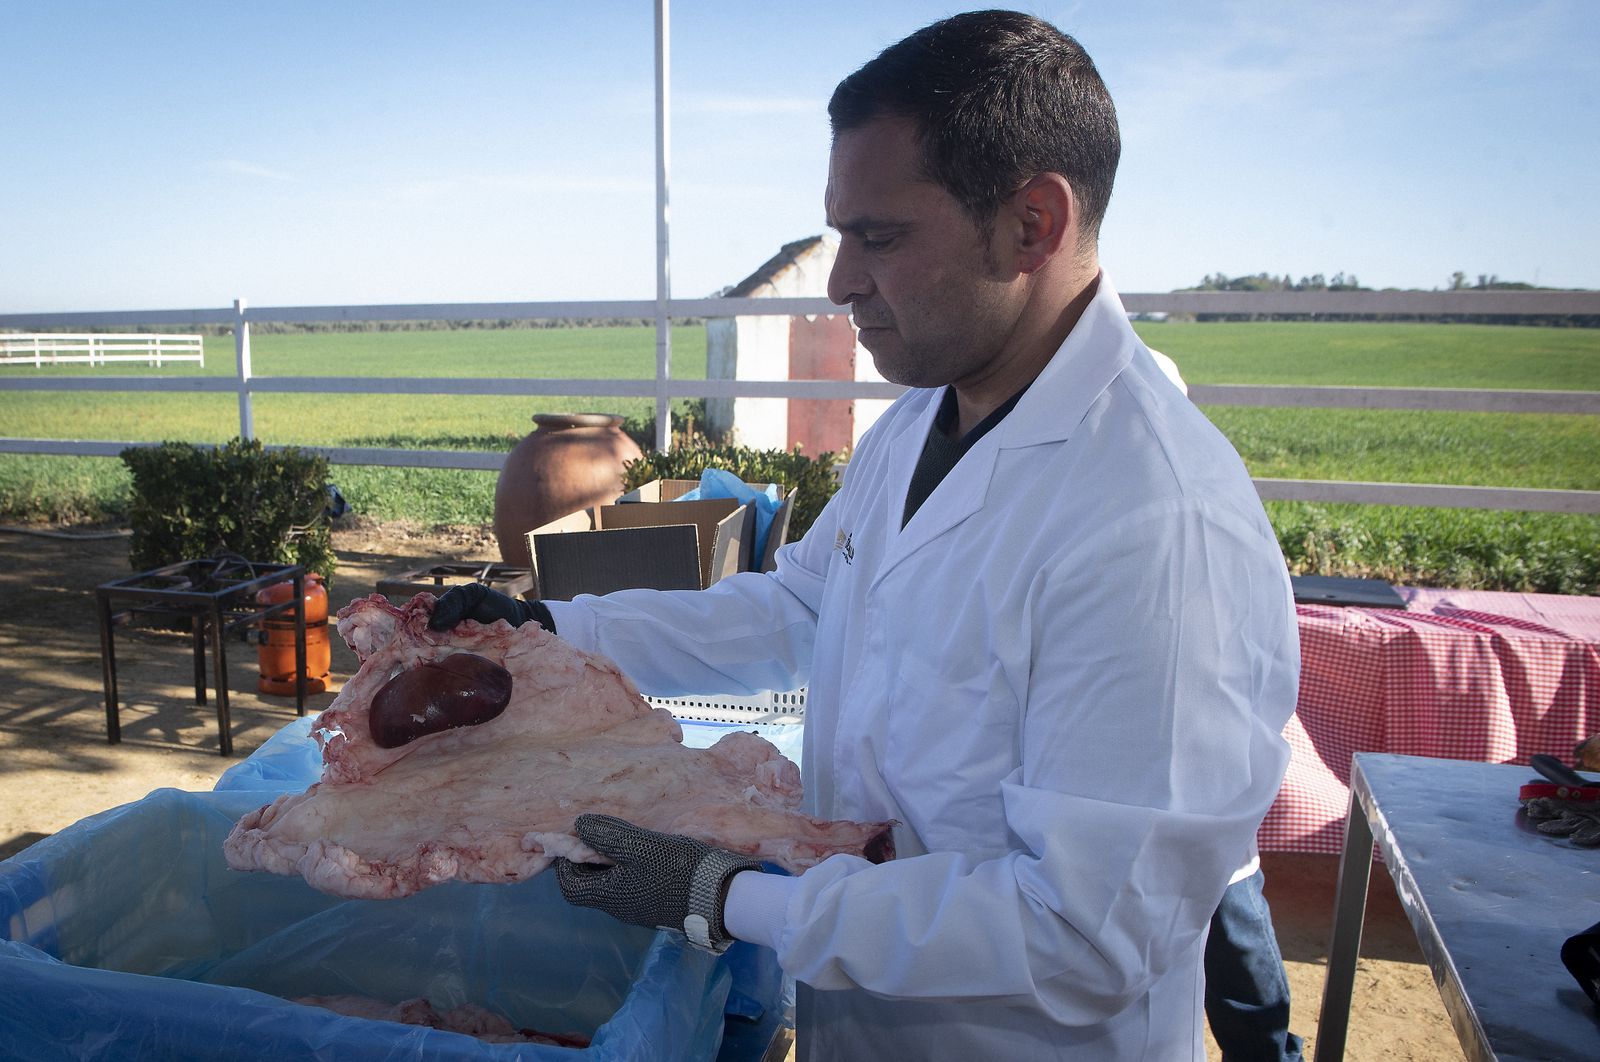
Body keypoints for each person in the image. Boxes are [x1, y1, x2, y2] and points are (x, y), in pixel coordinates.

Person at [432, 10, 1299, 1059]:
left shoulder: (1155, 526)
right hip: (867, 1023)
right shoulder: (918, 424)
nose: (841, 278)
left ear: (1033, 223)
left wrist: (731, 897)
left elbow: (1083, 934)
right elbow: (802, 604)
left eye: (880, 236)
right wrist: (551, 632)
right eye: (841, 231)